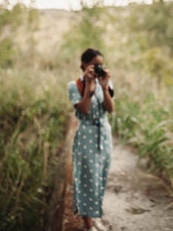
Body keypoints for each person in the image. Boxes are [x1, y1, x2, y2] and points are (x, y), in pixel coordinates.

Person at [67, 48, 114, 229]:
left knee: (101, 176)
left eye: (101, 64)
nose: (98, 67)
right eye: (95, 64)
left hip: (104, 133)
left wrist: (104, 86)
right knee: (87, 179)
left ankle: (95, 217)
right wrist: (88, 86)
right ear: (84, 65)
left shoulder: (105, 82)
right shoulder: (74, 85)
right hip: (86, 134)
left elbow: (110, 109)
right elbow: (84, 109)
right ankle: (88, 225)